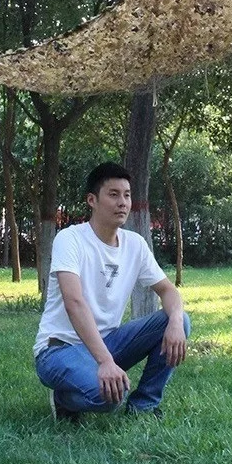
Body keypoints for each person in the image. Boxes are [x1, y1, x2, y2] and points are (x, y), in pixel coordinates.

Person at [34, 162, 191, 422]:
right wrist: (106, 362)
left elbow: (168, 290)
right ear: (92, 200)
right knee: (109, 397)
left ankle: (144, 406)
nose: (122, 203)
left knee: (179, 319)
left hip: (108, 342)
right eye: (114, 194)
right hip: (60, 349)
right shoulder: (70, 239)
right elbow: (74, 302)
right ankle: (63, 399)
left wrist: (175, 322)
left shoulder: (134, 244)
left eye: (127, 195)